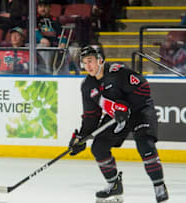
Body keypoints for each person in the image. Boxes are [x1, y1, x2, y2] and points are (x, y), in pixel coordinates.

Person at [68, 45, 169, 203]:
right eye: (84, 62)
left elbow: (143, 88)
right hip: (116, 115)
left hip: (139, 111)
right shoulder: (88, 86)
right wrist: (81, 136)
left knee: (145, 145)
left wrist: (126, 104)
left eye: (91, 61)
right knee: (98, 147)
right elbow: (91, 116)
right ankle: (114, 185)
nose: (88, 66)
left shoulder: (118, 72)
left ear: (100, 60)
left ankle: (159, 185)